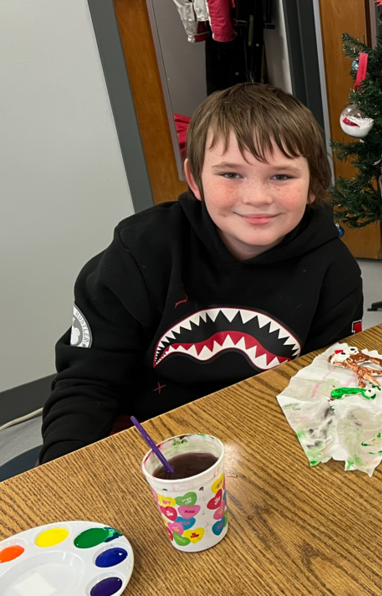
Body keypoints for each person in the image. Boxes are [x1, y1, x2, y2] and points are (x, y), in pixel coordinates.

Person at [41, 83, 363, 463]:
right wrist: (62, 476)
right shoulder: (140, 251)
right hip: (148, 444)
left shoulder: (334, 270)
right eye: (230, 174)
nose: (257, 197)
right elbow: (87, 385)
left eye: (281, 176)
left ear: (313, 185)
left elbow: (324, 388)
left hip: (271, 438)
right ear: (195, 180)